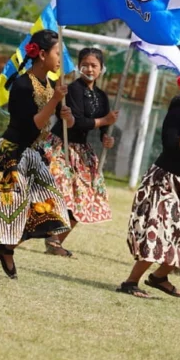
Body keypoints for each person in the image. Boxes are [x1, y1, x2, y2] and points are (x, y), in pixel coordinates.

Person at [0, 30, 72, 279]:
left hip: (32, 155)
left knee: (48, 209)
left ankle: (5, 248)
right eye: (58, 53)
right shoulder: (23, 84)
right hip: (11, 154)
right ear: (42, 55)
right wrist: (54, 101)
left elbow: (54, 125)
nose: (60, 59)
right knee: (10, 210)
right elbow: (30, 125)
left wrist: (67, 115)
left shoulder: (49, 85)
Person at [117, 66, 180, 298]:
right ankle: (131, 282)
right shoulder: (177, 110)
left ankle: (159, 277)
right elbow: (171, 143)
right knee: (160, 233)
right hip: (165, 182)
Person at [40, 47, 117, 257]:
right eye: (85, 64)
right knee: (59, 194)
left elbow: (103, 129)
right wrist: (104, 121)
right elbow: (77, 123)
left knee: (85, 197)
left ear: (102, 69)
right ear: (78, 66)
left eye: (94, 65)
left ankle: (55, 241)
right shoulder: (71, 90)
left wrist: (106, 137)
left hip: (82, 153)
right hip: (60, 148)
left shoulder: (102, 96)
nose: (89, 69)